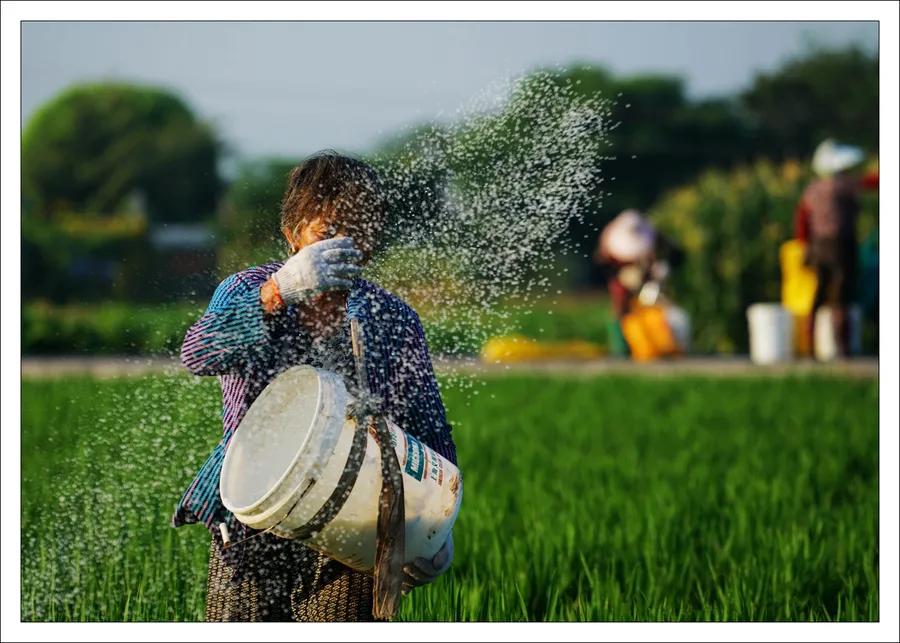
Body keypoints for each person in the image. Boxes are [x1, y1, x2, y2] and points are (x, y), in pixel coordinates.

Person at [172, 151, 457, 622]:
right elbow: (198, 354)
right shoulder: (248, 289)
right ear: (292, 234)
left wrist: (438, 519)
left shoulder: (392, 317)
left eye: (359, 231)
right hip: (252, 517)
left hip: (351, 519)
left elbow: (427, 424)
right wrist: (278, 292)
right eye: (327, 232)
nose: (345, 244)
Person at [794, 139, 875, 358]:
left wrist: (804, 247)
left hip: (818, 247)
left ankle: (809, 347)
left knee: (818, 296)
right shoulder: (844, 186)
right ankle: (843, 350)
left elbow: (802, 220)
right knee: (841, 298)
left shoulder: (813, 189)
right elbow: (871, 182)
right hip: (840, 247)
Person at [594, 209, 681, 319]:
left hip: (648, 286)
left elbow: (672, 255)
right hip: (627, 284)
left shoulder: (653, 239)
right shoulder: (609, 249)